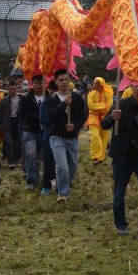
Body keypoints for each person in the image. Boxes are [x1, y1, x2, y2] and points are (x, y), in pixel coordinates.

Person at [102, 83, 138, 237]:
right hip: (122, 157)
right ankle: (121, 224)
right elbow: (104, 124)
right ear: (131, 86)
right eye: (136, 86)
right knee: (119, 192)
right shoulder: (121, 105)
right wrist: (112, 117)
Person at [47, 68, 88, 202]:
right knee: (62, 166)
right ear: (56, 82)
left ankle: (63, 184)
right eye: (61, 80)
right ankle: (62, 193)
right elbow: (51, 116)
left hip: (72, 138)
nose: (64, 82)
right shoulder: (51, 99)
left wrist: (75, 125)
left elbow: (83, 115)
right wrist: (63, 104)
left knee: (72, 167)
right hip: (57, 137)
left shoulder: (77, 97)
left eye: (66, 79)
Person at [18, 74, 46, 190]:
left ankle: (36, 177)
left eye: (40, 83)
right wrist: (39, 116)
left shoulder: (48, 97)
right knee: (30, 155)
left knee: (38, 158)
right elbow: (22, 113)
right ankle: (30, 180)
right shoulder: (26, 98)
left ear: (44, 84)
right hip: (29, 130)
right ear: (32, 84)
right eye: (36, 83)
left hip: (44, 131)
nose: (38, 86)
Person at [85, 76, 114, 165]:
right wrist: (103, 105)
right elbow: (90, 106)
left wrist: (98, 107)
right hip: (93, 118)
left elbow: (108, 108)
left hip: (105, 119)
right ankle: (95, 157)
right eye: (94, 83)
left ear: (101, 84)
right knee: (95, 137)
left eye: (96, 83)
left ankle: (101, 157)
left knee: (104, 139)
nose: (94, 85)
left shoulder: (108, 94)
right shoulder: (91, 94)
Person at [0, 80, 22, 168]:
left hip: (18, 122)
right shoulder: (4, 100)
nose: (12, 91)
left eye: (14, 89)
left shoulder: (21, 99)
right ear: (7, 89)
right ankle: (11, 162)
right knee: (9, 142)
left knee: (17, 141)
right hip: (7, 123)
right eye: (10, 89)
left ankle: (17, 158)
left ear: (16, 89)